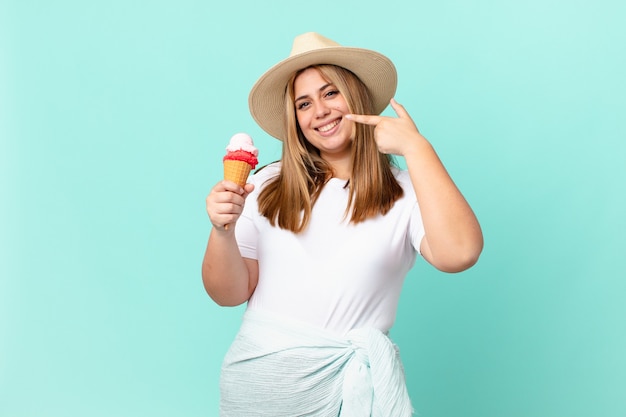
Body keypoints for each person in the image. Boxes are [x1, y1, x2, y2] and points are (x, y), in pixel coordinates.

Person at [202, 32, 483, 416]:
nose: (319, 110)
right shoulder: (267, 184)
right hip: (259, 387)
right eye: (304, 103)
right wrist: (222, 230)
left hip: (351, 391)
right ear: (295, 119)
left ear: (357, 96)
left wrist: (418, 149)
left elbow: (461, 253)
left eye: (331, 93)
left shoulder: (406, 193)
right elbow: (228, 293)